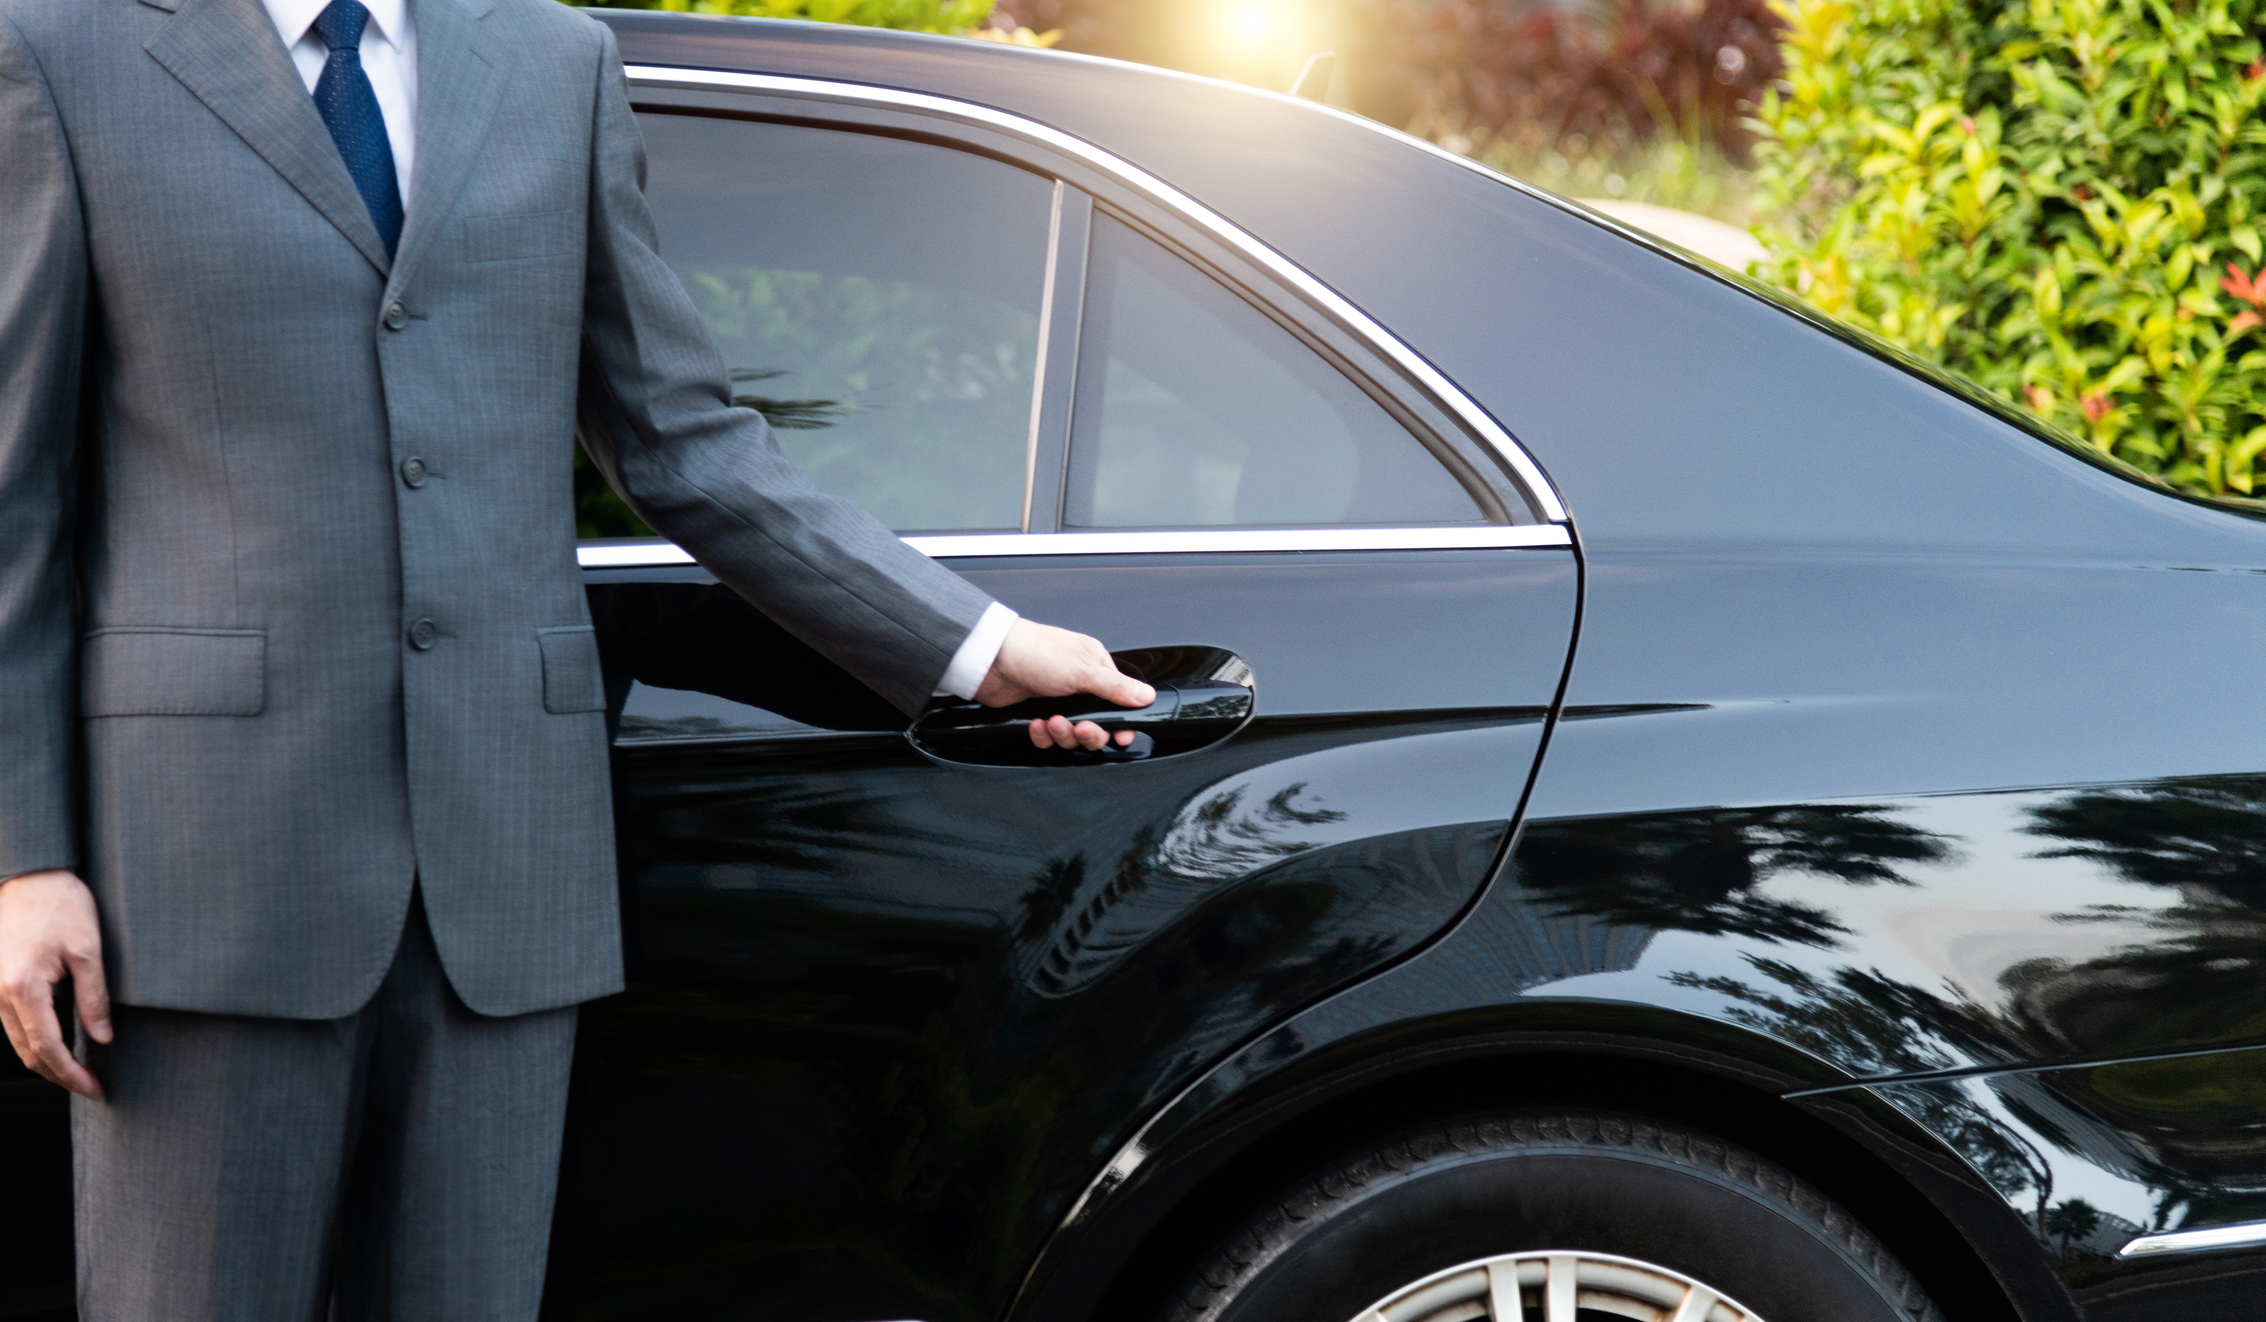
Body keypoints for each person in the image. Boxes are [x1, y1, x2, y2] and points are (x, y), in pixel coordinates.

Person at [0, 0, 1148, 1314]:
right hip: (202, 879)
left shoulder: (554, 61)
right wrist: (23, 853)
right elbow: (12, 492)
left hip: (504, 880)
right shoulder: (61, 53)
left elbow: (684, 442)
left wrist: (978, 645)